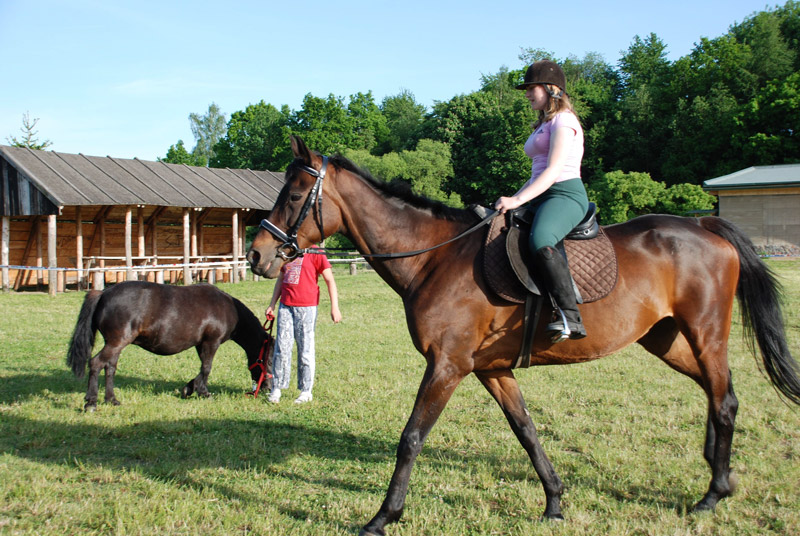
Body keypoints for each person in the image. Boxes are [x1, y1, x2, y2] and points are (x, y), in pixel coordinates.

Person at [494, 59, 590, 342]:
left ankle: (570, 318)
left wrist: (518, 199)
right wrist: (513, 199)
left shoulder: (565, 121)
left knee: (541, 239)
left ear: (551, 89)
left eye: (530, 88)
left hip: (565, 193)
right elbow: (537, 173)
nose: (526, 94)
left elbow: (553, 171)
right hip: (542, 192)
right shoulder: (543, 124)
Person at [265, 246, 342, 403]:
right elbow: (281, 279)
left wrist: (335, 307)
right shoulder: (287, 250)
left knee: (305, 349)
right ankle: (277, 388)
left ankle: (306, 391)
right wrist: (272, 304)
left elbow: (329, 280)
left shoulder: (315, 252)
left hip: (306, 307)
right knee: (282, 347)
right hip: (286, 306)